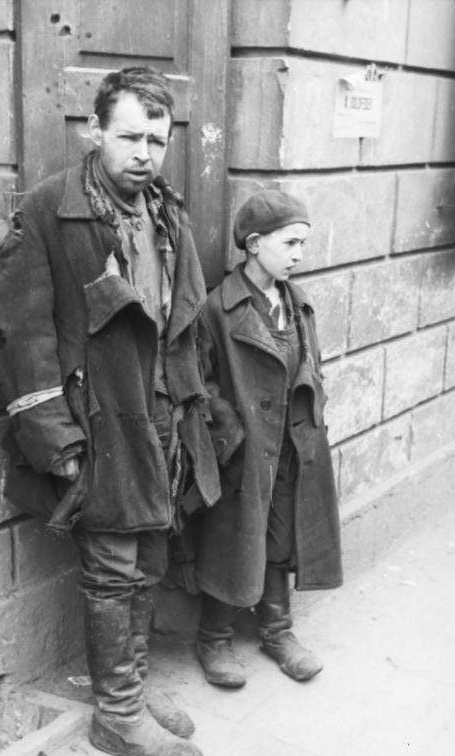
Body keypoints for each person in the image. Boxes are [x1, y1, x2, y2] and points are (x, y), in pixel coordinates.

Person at [0, 66, 220, 756]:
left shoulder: (165, 209)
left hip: (159, 419)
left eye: (156, 138)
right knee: (114, 568)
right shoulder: (51, 209)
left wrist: (191, 410)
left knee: (147, 560)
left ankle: (133, 693)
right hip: (99, 424)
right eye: (129, 137)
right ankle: (117, 716)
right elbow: (19, 337)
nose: (144, 152)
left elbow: (181, 321)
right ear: (94, 131)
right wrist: (61, 445)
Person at [195, 189, 343, 689]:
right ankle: (213, 638)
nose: (299, 255)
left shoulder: (297, 305)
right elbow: (202, 379)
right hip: (242, 454)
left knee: (282, 535)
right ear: (254, 244)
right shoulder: (219, 307)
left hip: (290, 448)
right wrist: (228, 431)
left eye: (303, 244)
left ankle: (277, 631)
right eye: (291, 243)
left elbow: (311, 367)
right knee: (231, 538)